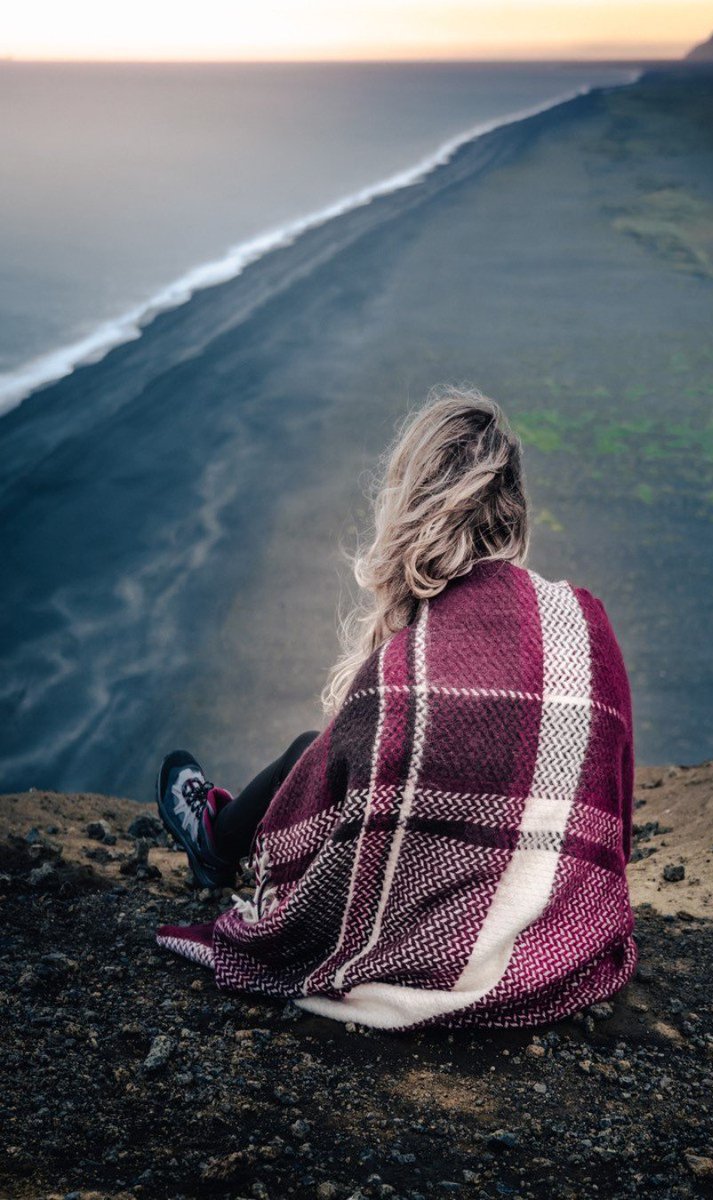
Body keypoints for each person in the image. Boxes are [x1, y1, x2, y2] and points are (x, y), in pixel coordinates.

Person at [155, 386, 637, 1031]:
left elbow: (347, 843)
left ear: (410, 504)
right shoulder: (585, 622)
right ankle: (217, 836)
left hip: (443, 949)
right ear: (514, 506)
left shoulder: (401, 673)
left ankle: (216, 838)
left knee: (313, 751)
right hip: (568, 935)